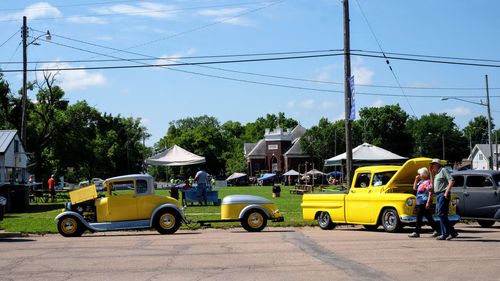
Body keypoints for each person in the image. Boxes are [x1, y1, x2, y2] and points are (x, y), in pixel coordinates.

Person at [430, 158, 458, 240]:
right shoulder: (437, 173)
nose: (431, 166)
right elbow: (432, 184)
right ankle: (452, 232)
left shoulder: (443, 170)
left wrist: (446, 192)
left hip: (443, 194)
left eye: (433, 164)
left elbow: (452, 181)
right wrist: (431, 173)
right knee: (441, 214)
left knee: (441, 214)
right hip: (439, 195)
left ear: (437, 164)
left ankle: (445, 233)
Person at [408, 167, 440, 238]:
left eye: (419, 174)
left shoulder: (427, 182)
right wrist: (416, 180)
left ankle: (416, 232)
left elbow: (430, 192)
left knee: (419, 217)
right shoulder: (420, 182)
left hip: (423, 202)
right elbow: (414, 188)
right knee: (428, 217)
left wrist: (428, 202)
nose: (418, 175)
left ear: (422, 175)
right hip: (420, 202)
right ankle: (437, 230)